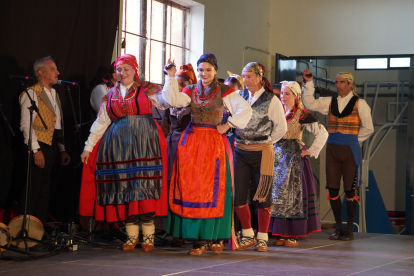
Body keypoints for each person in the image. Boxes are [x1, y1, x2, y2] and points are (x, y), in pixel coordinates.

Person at [79, 54, 170, 252]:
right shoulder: (110, 94)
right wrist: (88, 147)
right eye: (119, 70)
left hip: (145, 141)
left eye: (126, 69)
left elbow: (167, 101)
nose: (122, 73)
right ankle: (131, 237)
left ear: (135, 70)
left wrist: (170, 77)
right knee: (124, 188)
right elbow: (102, 121)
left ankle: (148, 236)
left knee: (144, 185)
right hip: (118, 144)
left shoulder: (147, 88)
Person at [163, 53, 252, 255]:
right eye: (201, 70)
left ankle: (214, 237)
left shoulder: (224, 90)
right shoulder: (191, 89)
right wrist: (170, 76)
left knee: (214, 189)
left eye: (208, 70)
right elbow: (173, 101)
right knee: (193, 188)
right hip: (192, 141)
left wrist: (228, 124)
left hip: (213, 141)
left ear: (215, 71)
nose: (204, 73)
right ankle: (199, 238)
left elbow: (244, 108)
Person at [302, 69, 374, 241]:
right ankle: (339, 228)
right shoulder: (330, 102)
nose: (339, 85)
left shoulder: (360, 103)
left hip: (350, 150)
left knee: (350, 190)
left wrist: (353, 140)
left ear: (350, 84)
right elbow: (309, 104)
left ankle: (349, 229)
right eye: (337, 82)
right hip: (333, 149)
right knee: (333, 188)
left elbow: (369, 128)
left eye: (342, 82)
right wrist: (309, 84)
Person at [234, 62, 287, 252]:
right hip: (240, 151)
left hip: (262, 152)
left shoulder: (271, 100)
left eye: (248, 76)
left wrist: (265, 142)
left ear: (258, 77)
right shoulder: (239, 96)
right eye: (243, 76)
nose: (245, 80)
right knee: (238, 196)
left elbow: (281, 128)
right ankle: (248, 234)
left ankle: (262, 237)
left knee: (262, 196)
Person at [269, 80, 328, 246]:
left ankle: (293, 233)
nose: (283, 97)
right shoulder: (276, 112)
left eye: (287, 94)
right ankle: (280, 231)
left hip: (293, 157)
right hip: (277, 156)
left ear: (296, 96)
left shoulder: (301, 113)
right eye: (281, 93)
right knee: (277, 194)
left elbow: (322, 132)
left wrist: (311, 150)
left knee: (293, 195)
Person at [18, 56, 71, 224]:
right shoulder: (32, 92)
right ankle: (23, 230)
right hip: (38, 145)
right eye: (53, 69)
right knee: (32, 189)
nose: (58, 72)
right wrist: (35, 150)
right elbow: (26, 124)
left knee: (44, 190)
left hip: (52, 146)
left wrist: (61, 149)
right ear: (41, 72)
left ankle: (38, 231)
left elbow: (56, 124)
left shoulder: (54, 93)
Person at [160, 63, 197, 247]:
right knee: (171, 186)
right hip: (173, 144)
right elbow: (166, 124)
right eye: (177, 82)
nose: (179, 86)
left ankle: (187, 229)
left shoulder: (193, 100)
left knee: (187, 186)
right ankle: (173, 230)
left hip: (189, 143)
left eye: (183, 83)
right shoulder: (171, 101)